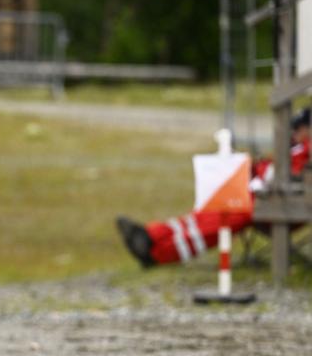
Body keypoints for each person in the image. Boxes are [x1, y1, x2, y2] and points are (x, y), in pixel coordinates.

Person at [117, 107, 311, 267]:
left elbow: (285, 176)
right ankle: (152, 236)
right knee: (214, 207)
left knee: (225, 214)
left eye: (298, 128)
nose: (294, 133)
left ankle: (157, 252)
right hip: (261, 194)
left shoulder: (305, 149)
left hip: (278, 201)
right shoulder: (297, 148)